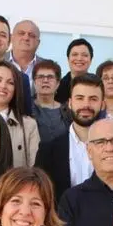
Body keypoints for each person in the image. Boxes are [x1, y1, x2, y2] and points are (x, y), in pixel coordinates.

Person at [35, 73, 104, 203]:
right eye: (80, 98)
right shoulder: (48, 150)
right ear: (70, 103)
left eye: (93, 99)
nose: (86, 105)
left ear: (102, 104)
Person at [32, 59, 71, 144]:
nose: (45, 80)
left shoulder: (68, 111)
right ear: (34, 83)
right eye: (40, 77)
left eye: (50, 77)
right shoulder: (26, 108)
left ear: (58, 83)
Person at [6, 20, 43, 91]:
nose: (26, 38)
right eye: (21, 33)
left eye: (31, 35)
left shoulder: (47, 67)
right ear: (11, 38)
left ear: (38, 43)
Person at [55, 38, 94, 104]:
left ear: (91, 60)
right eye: (75, 54)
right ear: (68, 59)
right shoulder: (57, 87)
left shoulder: (98, 85)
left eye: (84, 55)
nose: (79, 58)